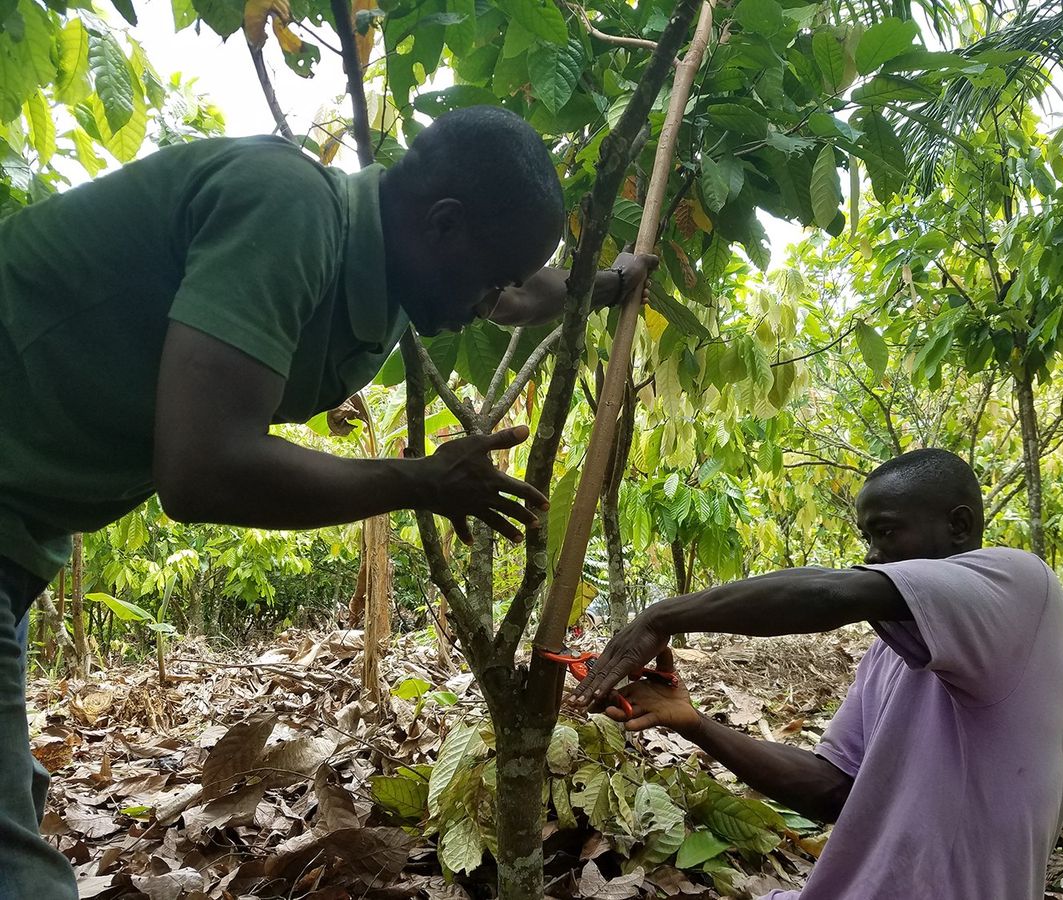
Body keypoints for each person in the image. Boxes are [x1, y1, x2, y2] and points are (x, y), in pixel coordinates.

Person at [0, 106, 654, 899]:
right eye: (491, 274)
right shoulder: (291, 212)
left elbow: (522, 295)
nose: (494, 299)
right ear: (445, 224)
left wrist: (613, 283)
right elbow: (202, 468)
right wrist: (418, 478)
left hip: (23, 532)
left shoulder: (394, 273)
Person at [570, 449, 1063, 900]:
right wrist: (694, 723)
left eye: (888, 531)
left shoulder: (1023, 585)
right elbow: (834, 789)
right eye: (868, 536)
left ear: (960, 526)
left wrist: (663, 616)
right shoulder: (890, 653)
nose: (873, 553)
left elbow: (832, 593)